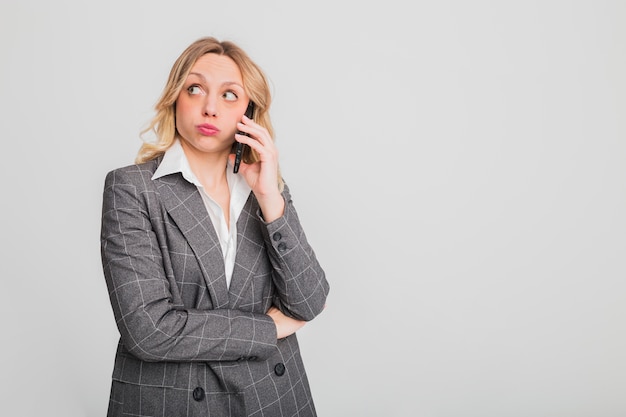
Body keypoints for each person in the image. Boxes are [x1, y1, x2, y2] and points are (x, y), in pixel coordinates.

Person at [100, 36, 330, 417]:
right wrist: (267, 330)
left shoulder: (266, 191)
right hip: (173, 403)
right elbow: (150, 331)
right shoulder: (132, 189)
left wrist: (271, 198)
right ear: (176, 97)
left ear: (249, 112)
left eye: (229, 95)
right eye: (195, 88)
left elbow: (307, 303)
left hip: (270, 398)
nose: (209, 108)